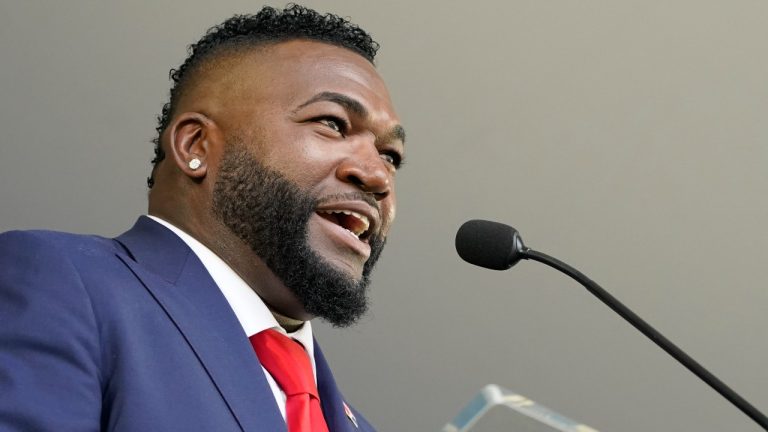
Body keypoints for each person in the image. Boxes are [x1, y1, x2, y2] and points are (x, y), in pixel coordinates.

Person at [0, 4, 405, 431]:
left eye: (391, 156)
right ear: (195, 145)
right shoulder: (66, 285)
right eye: (333, 123)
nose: (378, 175)